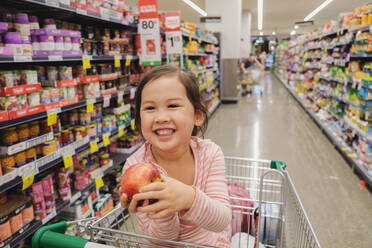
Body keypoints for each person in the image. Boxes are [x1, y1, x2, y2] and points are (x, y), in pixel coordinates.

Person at [119, 65, 232, 247]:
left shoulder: (210, 154)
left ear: (198, 115)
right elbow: (162, 239)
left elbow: (221, 221)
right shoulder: (135, 165)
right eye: (150, 108)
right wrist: (165, 208)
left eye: (173, 105)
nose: (161, 117)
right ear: (139, 120)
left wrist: (189, 198)